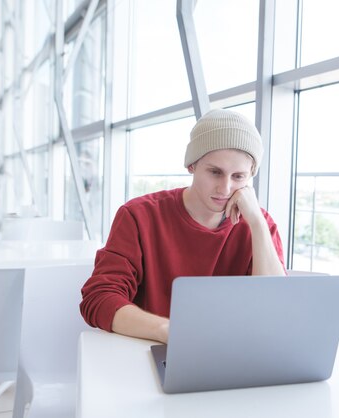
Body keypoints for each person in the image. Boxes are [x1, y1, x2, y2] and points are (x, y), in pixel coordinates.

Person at [80, 108, 286, 343]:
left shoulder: (259, 224)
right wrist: (169, 331)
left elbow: (275, 311)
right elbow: (99, 299)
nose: (225, 188)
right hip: (150, 350)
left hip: (233, 354)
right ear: (192, 165)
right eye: (215, 172)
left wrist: (257, 223)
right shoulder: (139, 215)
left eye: (238, 176)